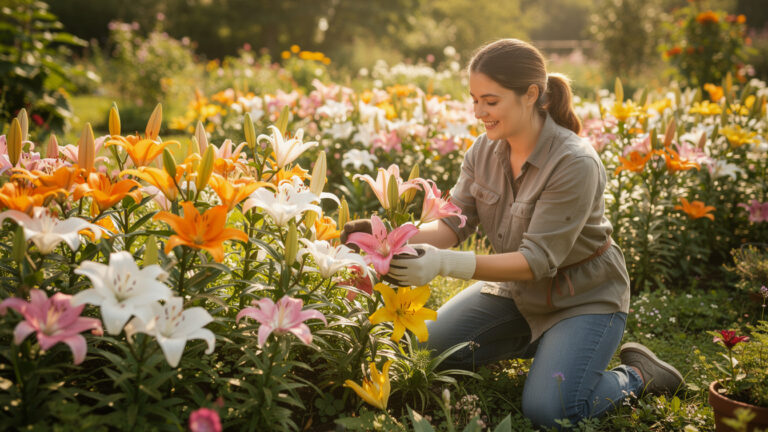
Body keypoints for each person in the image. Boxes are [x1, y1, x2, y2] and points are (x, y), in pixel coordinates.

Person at [341, 38, 685, 429]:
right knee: (422, 348)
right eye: (473, 100)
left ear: (531, 94)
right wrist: (395, 239)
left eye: (490, 101)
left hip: (582, 299)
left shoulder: (575, 163)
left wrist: (440, 264)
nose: (478, 113)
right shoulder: (482, 152)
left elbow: (536, 260)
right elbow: (455, 222)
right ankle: (548, 348)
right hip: (515, 294)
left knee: (550, 412)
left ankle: (639, 375)